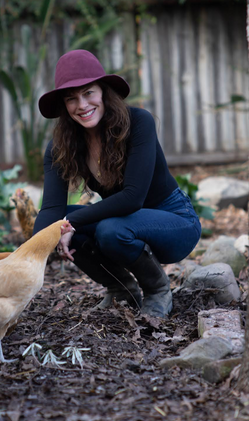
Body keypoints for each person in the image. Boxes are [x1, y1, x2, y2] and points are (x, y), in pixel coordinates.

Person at [33, 49, 201, 318]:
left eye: (89, 93)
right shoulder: (61, 147)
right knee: (54, 227)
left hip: (175, 222)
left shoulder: (137, 123)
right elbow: (51, 209)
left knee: (107, 229)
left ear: (104, 92)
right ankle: (121, 289)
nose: (82, 105)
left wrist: (70, 224)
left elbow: (133, 198)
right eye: (71, 98)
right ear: (64, 106)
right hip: (123, 221)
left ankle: (157, 290)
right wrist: (32, 250)